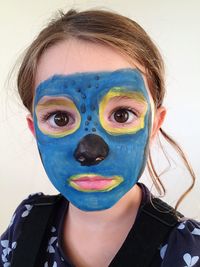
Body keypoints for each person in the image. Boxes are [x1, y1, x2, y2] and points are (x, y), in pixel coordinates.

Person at [1, 9, 200, 267]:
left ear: (154, 125)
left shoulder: (186, 252)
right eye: (60, 118)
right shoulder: (26, 224)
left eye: (122, 114)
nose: (90, 151)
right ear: (35, 130)